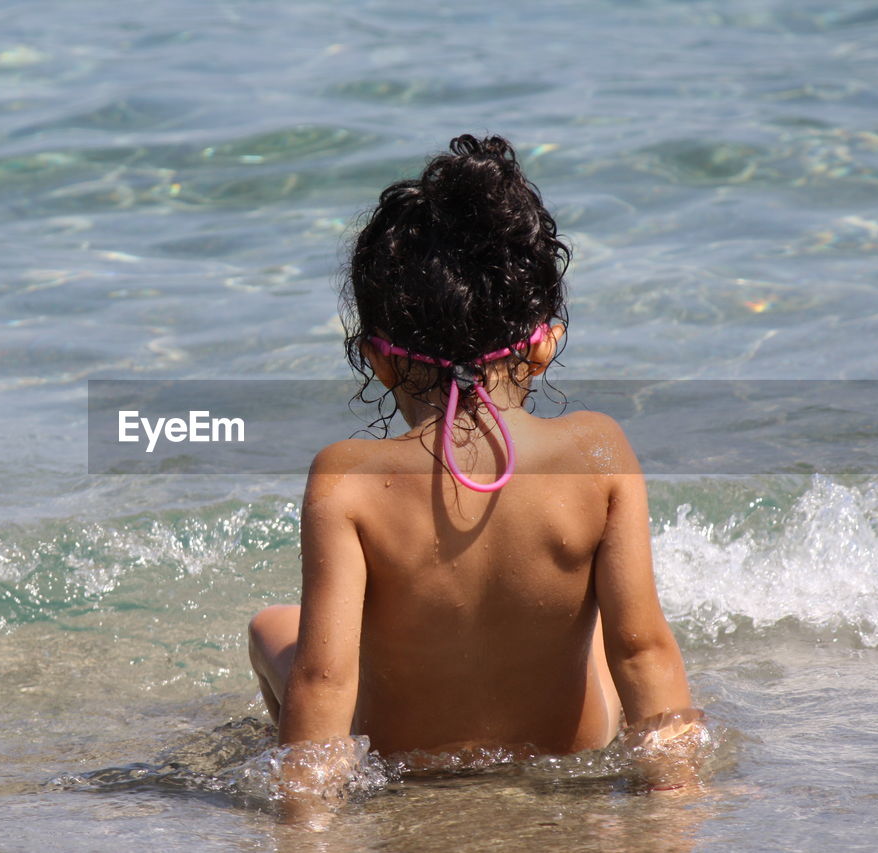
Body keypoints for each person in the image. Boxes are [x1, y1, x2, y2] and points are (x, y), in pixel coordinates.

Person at [247, 134, 702, 816]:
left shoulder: (346, 481)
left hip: (402, 756)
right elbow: (644, 653)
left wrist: (307, 822)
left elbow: (321, 679)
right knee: (613, 647)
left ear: (381, 359)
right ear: (545, 341)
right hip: (568, 745)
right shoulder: (598, 452)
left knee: (270, 627)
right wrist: (675, 804)